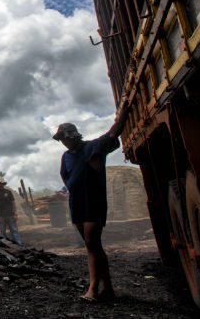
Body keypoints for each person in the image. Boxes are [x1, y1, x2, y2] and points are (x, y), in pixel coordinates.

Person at [54, 105, 130, 303]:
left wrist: (125, 112)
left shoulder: (92, 147)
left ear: (72, 136)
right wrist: (72, 189)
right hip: (77, 203)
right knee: (93, 247)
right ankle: (109, 289)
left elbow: (113, 132)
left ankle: (93, 289)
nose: (62, 143)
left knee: (91, 243)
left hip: (93, 202)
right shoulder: (66, 157)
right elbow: (64, 175)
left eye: (63, 138)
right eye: (61, 140)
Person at [0, 180, 22, 244]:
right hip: (0, 216)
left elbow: (13, 203)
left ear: (3, 184)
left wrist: (15, 214)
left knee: (14, 230)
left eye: (1, 183)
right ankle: (5, 245)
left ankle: (19, 244)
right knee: (2, 231)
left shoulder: (8, 192)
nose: (0, 184)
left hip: (10, 214)